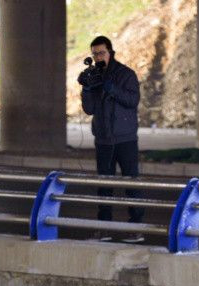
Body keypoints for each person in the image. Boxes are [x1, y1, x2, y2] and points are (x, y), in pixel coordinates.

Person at [78, 35, 145, 243]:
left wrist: (112, 88)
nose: (98, 57)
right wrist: (87, 89)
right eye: (95, 54)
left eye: (102, 53)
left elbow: (133, 101)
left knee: (131, 184)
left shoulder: (125, 74)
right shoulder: (94, 77)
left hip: (125, 139)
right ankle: (104, 228)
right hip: (104, 140)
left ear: (110, 52)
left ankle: (136, 228)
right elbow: (89, 109)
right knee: (104, 186)